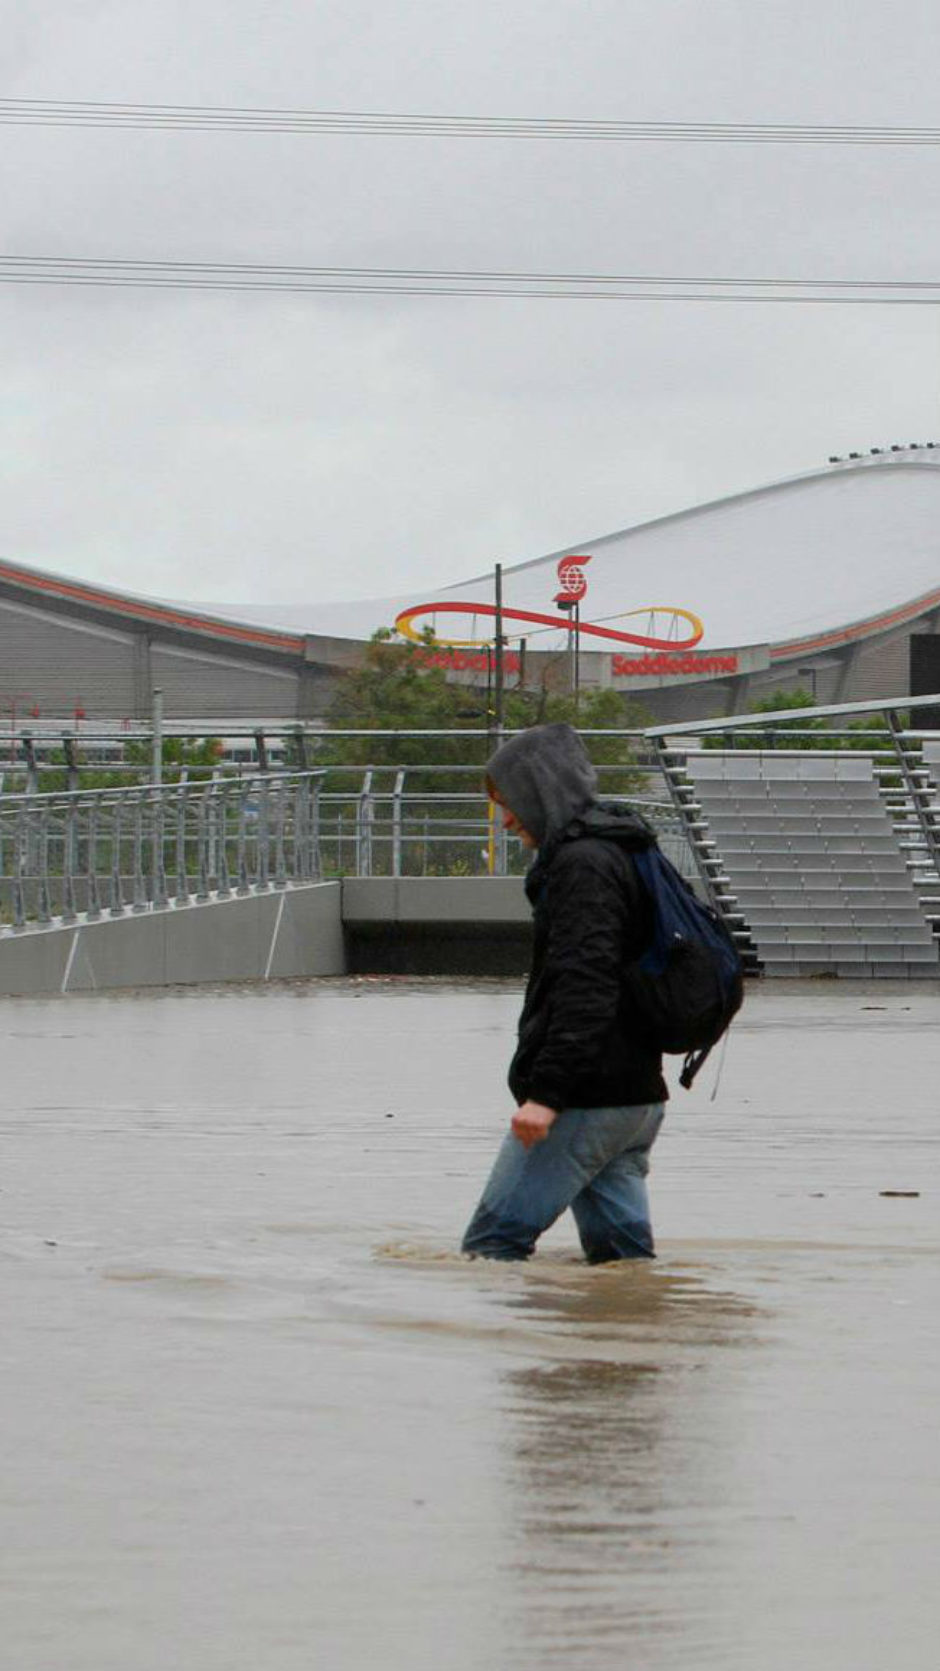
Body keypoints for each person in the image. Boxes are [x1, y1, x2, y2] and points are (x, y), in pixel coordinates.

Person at [461, 722, 667, 1263]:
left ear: (539, 795)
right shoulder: (623, 847)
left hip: (585, 1099)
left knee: (490, 1250)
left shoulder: (581, 866)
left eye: (510, 804)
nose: (505, 820)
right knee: (622, 1268)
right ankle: (630, 1345)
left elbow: (586, 986)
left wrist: (546, 1096)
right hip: (635, 1100)